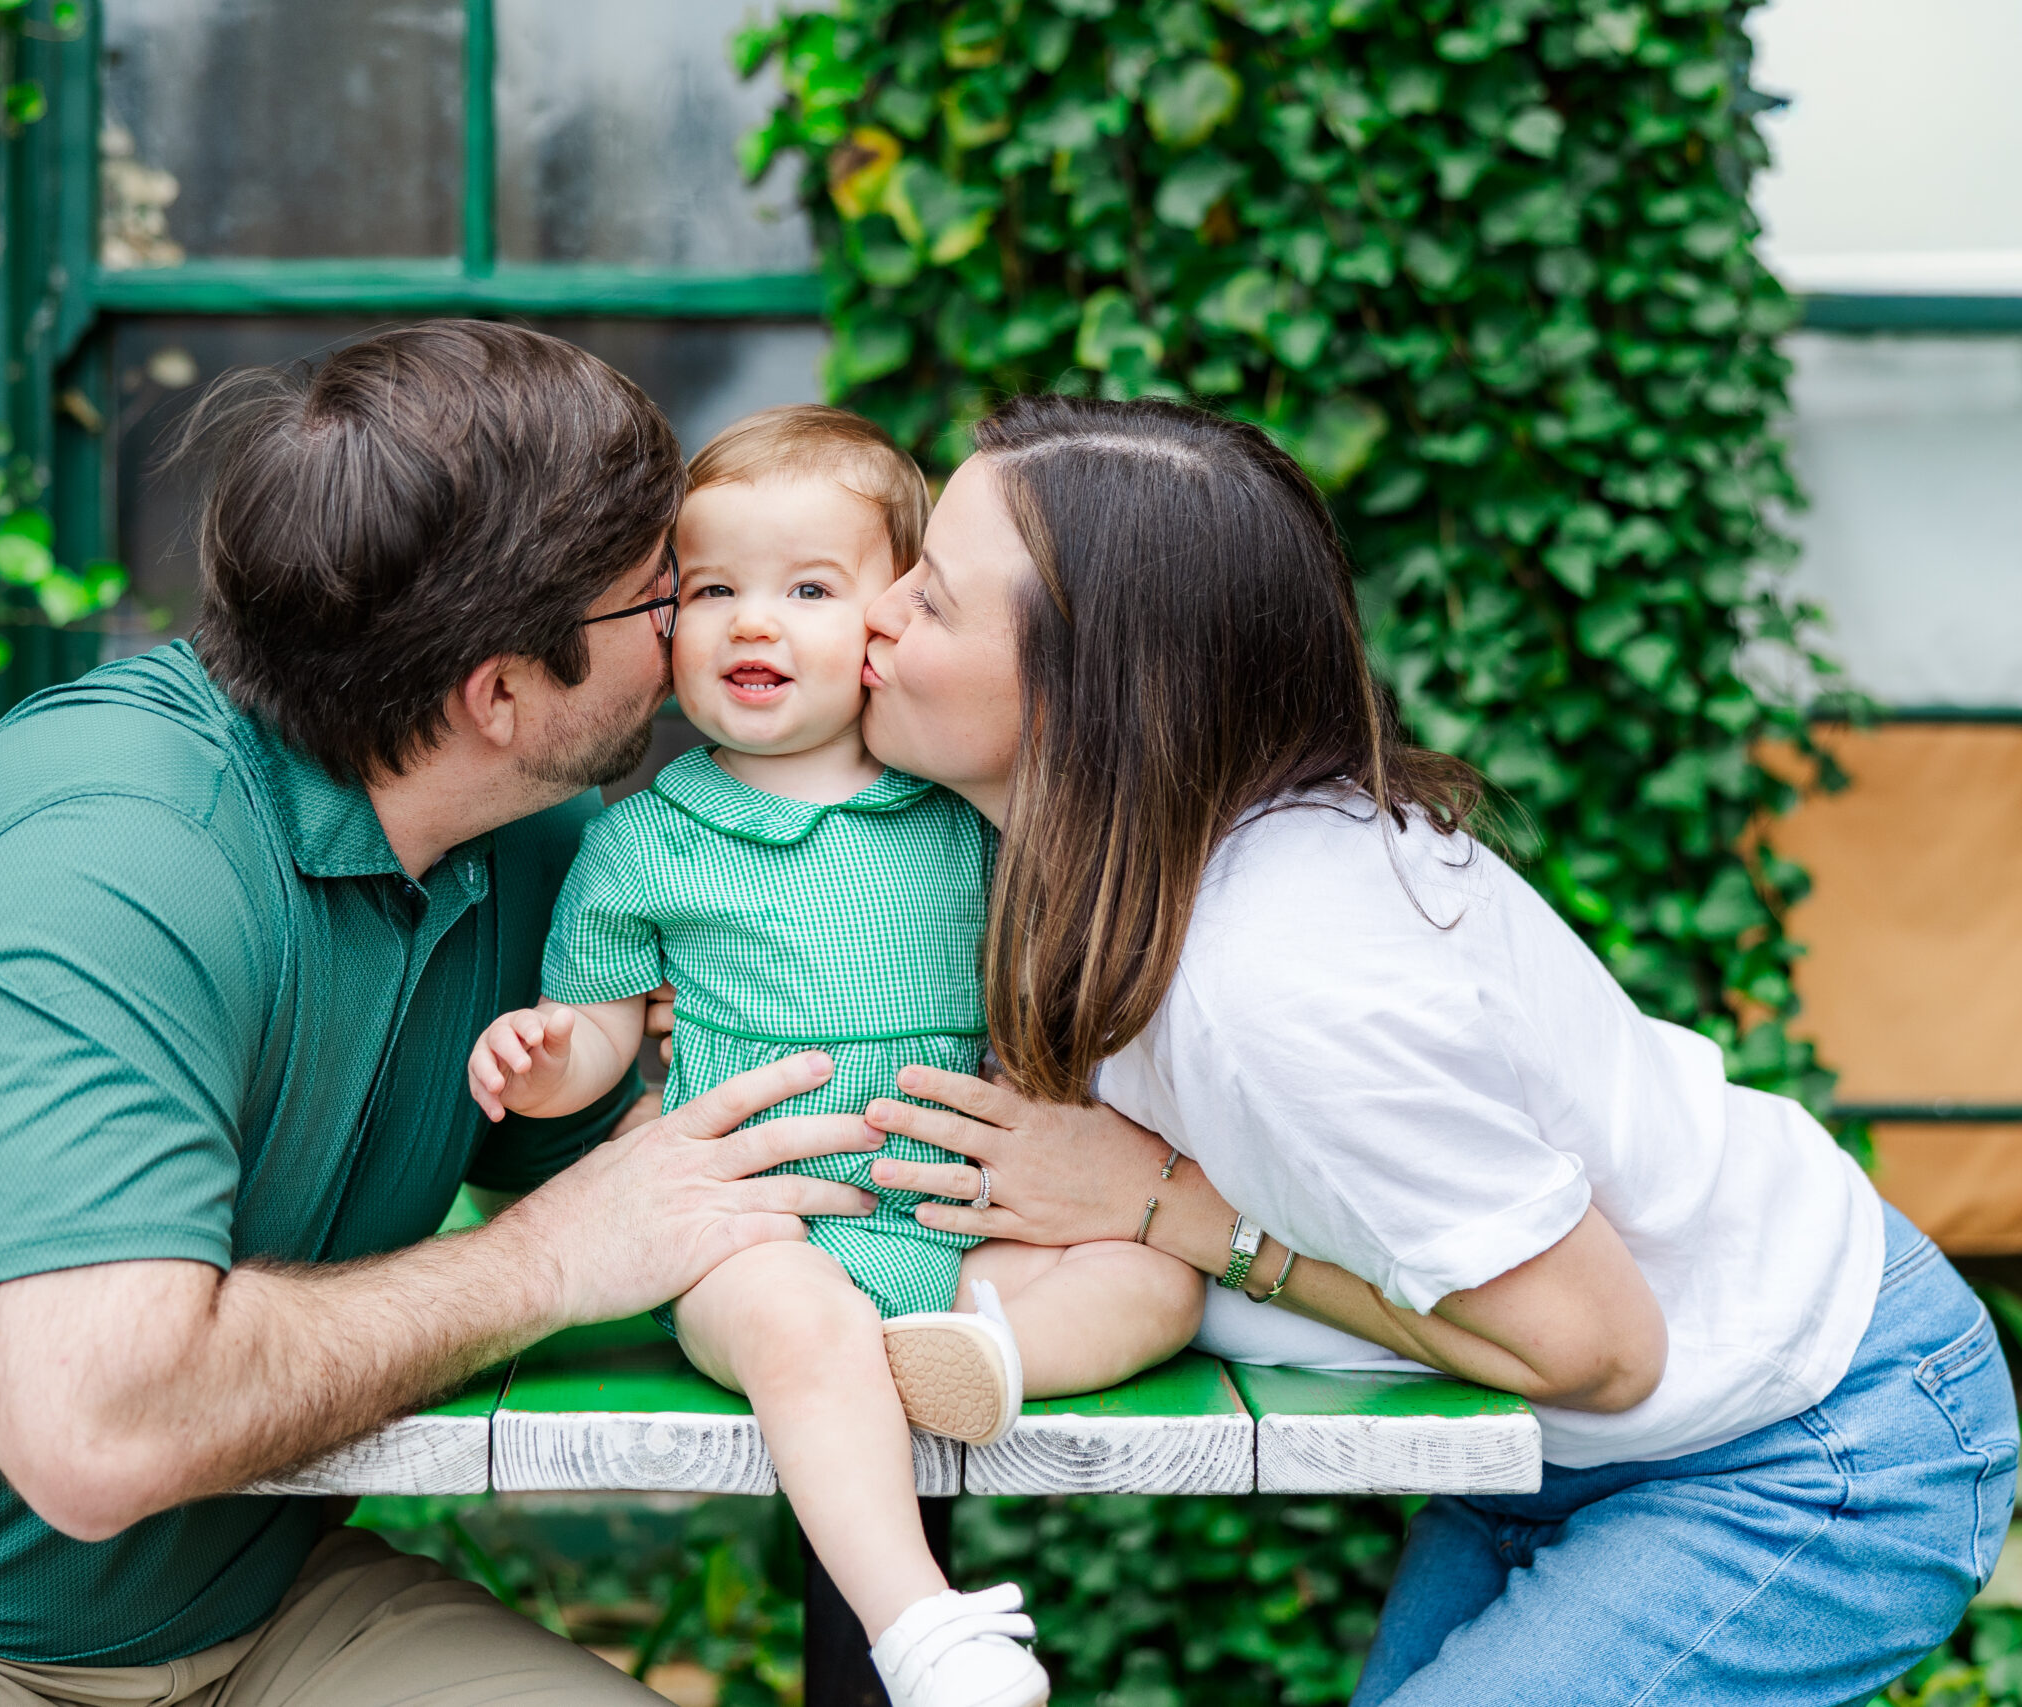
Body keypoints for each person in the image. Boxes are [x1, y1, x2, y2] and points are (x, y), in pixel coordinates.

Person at [0, 322, 890, 1707]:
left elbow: (672, 1172)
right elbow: (94, 1429)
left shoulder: (526, 836)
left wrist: (1091, 1185)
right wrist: (544, 1262)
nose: (700, 633)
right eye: (665, 599)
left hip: (246, 1628)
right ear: (503, 692)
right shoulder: (118, 857)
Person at [843, 393, 2019, 1704]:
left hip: (1812, 1441)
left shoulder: (1283, 983)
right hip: (1563, 1447)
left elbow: (1593, 1344)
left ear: (1096, 687)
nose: (875, 614)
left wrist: (1172, 1211)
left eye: (933, 600)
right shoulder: (1123, 872)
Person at [467, 407, 1201, 1707]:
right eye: (712, 591)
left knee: (1150, 1277)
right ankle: (923, 1625)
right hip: (754, 1228)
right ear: (668, 623)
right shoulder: (646, 841)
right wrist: (546, 1061)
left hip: (956, 1220)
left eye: (808, 589)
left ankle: (986, 1356)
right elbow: (601, 1028)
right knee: (803, 1329)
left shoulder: (962, 810)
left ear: (888, 627)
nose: (755, 623)